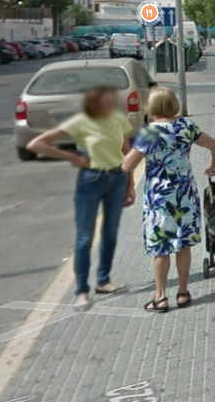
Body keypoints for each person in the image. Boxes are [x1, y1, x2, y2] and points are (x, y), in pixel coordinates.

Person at [27, 85, 136, 308]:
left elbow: (127, 153)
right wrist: (70, 156)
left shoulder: (118, 119)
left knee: (110, 232)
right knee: (85, 238)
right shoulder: (81, 121)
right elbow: (36, 144)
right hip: (91, 181)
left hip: (117, 179)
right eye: (106, 101)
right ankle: (81, 290)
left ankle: (104, 281)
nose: (111, 105)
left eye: (112, 101)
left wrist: (131, 184)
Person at [121, 87, 215, 313]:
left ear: (152, 107)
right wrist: (213, 166)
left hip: (160, 198)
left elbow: (128, 165)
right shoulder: (187, 126)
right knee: (183, 244)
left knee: (161, 247)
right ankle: (183, 293)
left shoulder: (150, 133)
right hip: (185, 194)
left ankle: (160, 297)